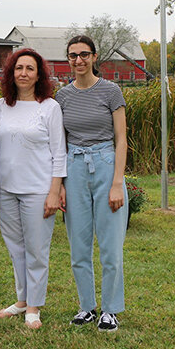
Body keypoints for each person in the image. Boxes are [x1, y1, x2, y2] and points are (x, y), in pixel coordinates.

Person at [56, 35, 129, 333]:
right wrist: (60, 184)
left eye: (84, 54)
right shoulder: (62, 97)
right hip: (73, 168)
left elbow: (121, 139)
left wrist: (116, 183)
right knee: (79, 245)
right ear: (69, 59)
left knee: (110, 247)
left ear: (95, 57)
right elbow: (59, 143)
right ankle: (86, 306)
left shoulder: (111, 92)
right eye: (73, 55)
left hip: (105, 164)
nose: (79, 60)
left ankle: (110, 310)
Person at [0, 48, 66, 330]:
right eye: (18, 68)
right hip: (7, 189)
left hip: (38, 190)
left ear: (39, 75)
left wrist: (54, 190)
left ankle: (34, 307)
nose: (23, 73)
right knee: (16, 248)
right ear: (11, 73)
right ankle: (22, 299)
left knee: (37, 250)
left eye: (29, 69)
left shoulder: (49, 107)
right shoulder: (0, 106)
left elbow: (59, 152)